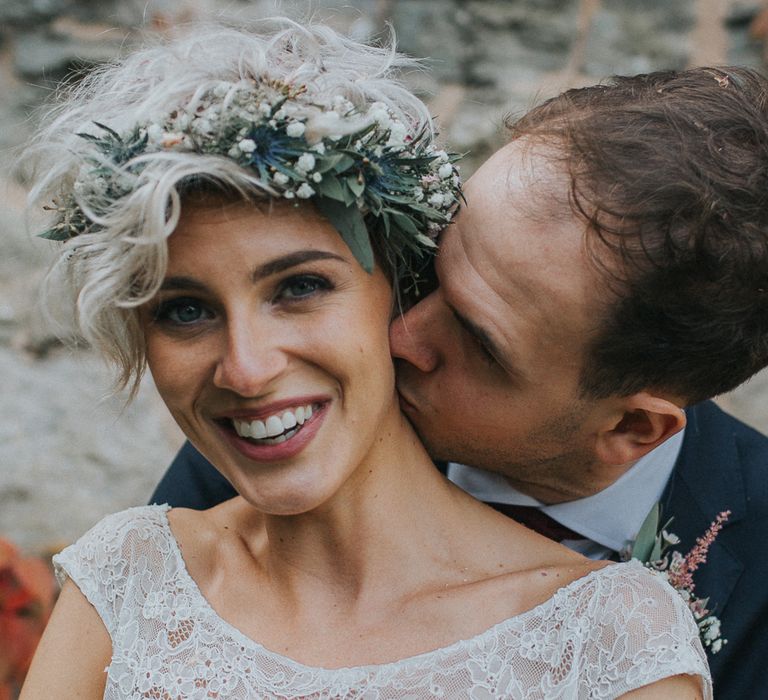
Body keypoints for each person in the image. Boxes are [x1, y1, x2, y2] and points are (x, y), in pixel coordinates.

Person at [19, 21, 711, 699]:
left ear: (401, 291)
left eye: (300, 288)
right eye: (185, 311)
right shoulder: (126, 579)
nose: (247, 370)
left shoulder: (609, 641)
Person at [154, 65, 768, 698]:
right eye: (431, 267)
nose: (400, 336)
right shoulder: (296, 420)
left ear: (630, 427)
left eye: (478, 342)